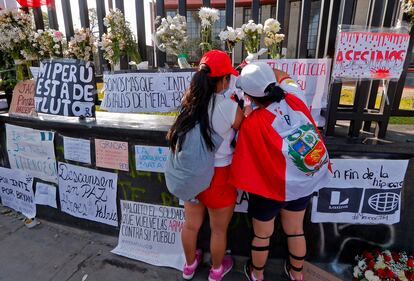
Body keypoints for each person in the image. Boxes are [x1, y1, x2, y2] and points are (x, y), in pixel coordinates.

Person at [229, 62, 332, 281]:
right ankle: (297, 274)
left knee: (261, 235)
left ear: (249, 96)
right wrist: (257, 67)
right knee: (295, 230)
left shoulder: (252, 124)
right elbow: (284, 75)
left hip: (270, 188)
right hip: (303, 181)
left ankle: (257, 274)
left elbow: (241, 151)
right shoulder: (295, 95)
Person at [167, 50, 244, 281]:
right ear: (221, 80)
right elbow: (242, 126)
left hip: (191, 175)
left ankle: (189, 266)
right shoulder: (230, 107)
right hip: (219, 177)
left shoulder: (187, 104)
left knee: (191, 226)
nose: (229, 82)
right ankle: (216, 270)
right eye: (228, 78)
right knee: (218, 230)